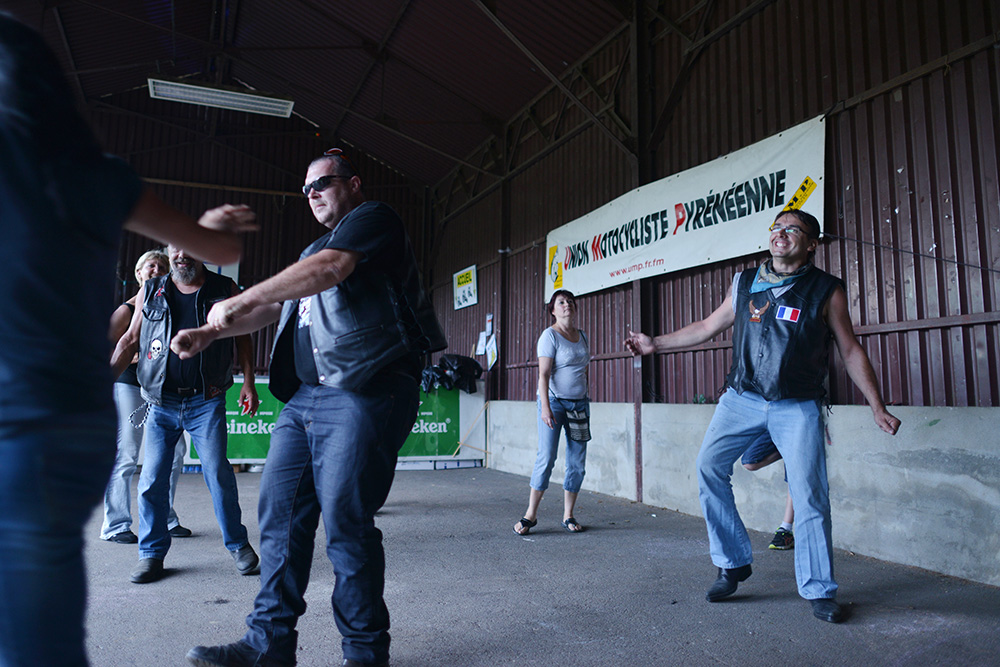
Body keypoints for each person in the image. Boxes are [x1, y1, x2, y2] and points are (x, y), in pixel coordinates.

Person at [0, 12, 255, 667]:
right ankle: (151, 553)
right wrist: (207, 225)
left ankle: (234, 545)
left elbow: (218, 264)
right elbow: (209, 253)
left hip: (40, 420)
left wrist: (241, 376)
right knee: (49, 599)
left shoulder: (37, 166)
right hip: (81, 418)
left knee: (33, 632)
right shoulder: (98, 176)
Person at [175, 147, 446, 667]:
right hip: (303, 397)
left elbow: (332, 269)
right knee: (278, 518)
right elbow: (276, 307)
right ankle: (268, 646)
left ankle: (365, 654)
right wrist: (210, 332)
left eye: (322, 183)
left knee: (346, 519)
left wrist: (235, 296)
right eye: (305, 189)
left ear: (354, 184)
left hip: (364, 386)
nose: (312, 194)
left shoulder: (372, 220)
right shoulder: (309, 252)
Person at [625, 209, 901, 624]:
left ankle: (820, 589)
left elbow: (850, 350)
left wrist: (876, 405)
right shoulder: (744, 282)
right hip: (741, 399)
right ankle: (732, 562)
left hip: (798, 404)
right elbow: (707, 326)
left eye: (793, 229)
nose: (781, 234)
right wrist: (654, 344)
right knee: (708, 467)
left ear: (811, 244)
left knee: (809, 493)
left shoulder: (827, 290)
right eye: (777, 227)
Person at [111, 245, 261, 584]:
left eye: (189, 247)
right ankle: (151, 555)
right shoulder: (151, 289)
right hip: (161, 402)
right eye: (175, 247)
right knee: (151, 480)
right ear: (169, 251)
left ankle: (238, 545)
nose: (182, 254)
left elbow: (244, 338)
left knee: (218, 475)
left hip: (206, 401)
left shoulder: (224, 289)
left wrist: (249, 381)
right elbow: (130, 340)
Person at [102, 249, 192, 544]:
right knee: (126, 453)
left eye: (161, 266)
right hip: (129, 386)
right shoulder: (125, 311)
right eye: (149, 266)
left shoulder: (169, 305)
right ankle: (115, 525)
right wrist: (136, 357)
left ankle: (164, 518)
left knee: (175, 454)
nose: (156, 269)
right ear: (139, 273)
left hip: (162, 389)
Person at [513, 289, 591, 536]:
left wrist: (583, 396)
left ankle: (568, 515)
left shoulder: (582, 336)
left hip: (579, 405)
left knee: (577, 462)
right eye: (561, 302)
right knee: (547, 457)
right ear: (553, 310)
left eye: (570, 301)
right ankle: (530, 515)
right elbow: (543, 375)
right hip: (555, 403)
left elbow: (582, 371)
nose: (567, 304)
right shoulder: (550, 336)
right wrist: (545, 407)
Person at [740, 433, 795, 550]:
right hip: (773, 421)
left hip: (795, 423)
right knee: (749, 461)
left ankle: (786, 529)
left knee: (794, 478)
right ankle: (788, 449)